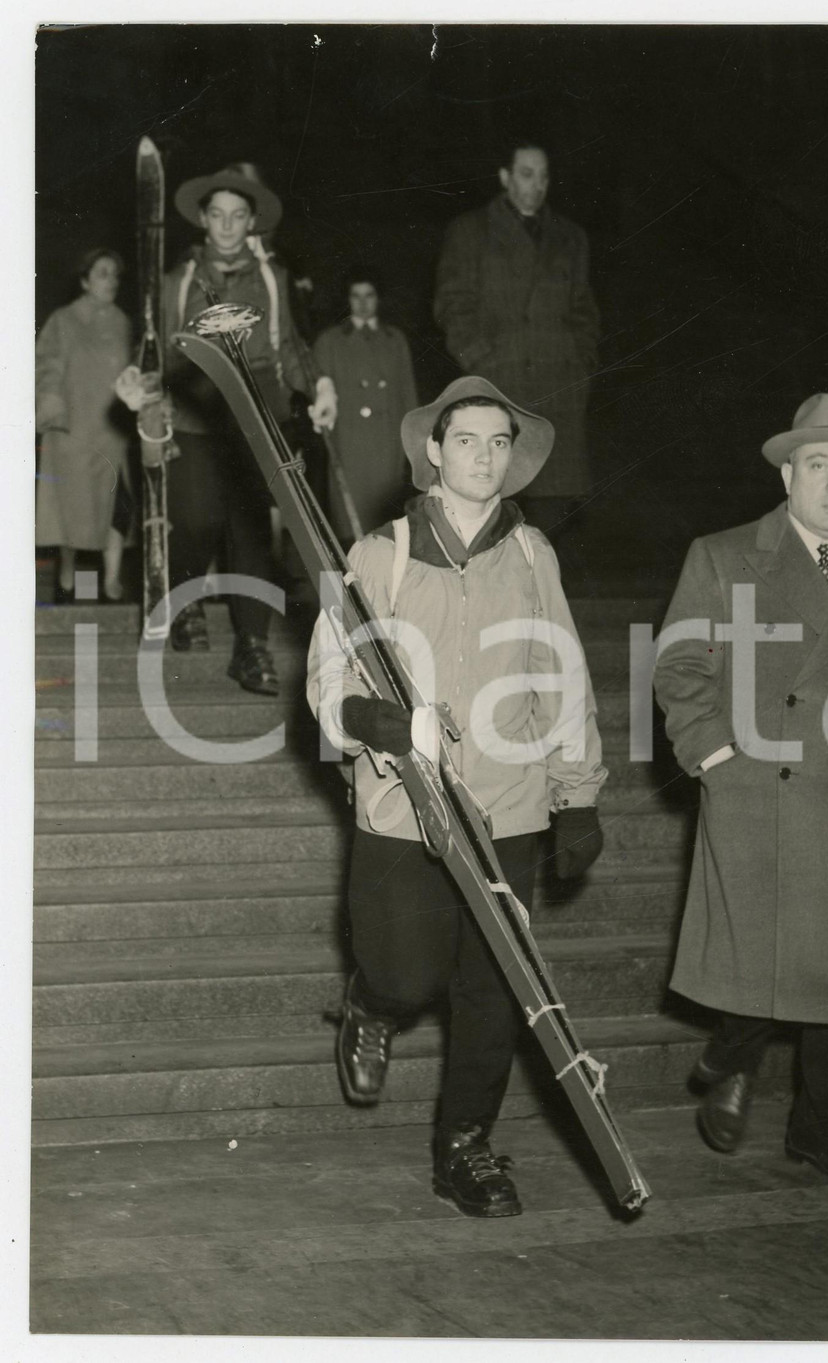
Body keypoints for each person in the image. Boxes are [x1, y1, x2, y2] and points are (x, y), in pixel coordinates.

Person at [306, 376, 607, 1217]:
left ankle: (464, 1148)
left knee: (493, 989)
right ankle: (368, 1003)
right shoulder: (383, 552)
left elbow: (564, 676)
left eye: (499, 443)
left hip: (508, 806)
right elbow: (329, 671)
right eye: (466, 440)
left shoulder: (532, 554)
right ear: (433, 452)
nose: (483, 456)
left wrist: (577, 793)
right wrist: (363, 715)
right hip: (405, 806)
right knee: (407, 971)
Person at [653, 392, 828, 1181]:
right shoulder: (721, 556)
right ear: (787, 475)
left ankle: (822, 1130)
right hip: (760, 792)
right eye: (819, 466)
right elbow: (679, 666)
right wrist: (711, 753)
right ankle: (730, 1061)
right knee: (755, 968)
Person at [162, 163, 336, 692]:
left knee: (252, 525)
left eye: (238, 216)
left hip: (260, 414)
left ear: (251, 221)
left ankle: (252, 644)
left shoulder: (270, 277)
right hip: (197, 413)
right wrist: (148, 393)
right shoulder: (180, 280)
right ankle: (182, 598)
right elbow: (160, 348)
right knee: (196, 519)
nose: (228, 226)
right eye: (218, 215)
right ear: (203, 220)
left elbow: (289, 344)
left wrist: (320, 384)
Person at [434, 140, 600, 535]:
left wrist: (580, 367)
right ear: (505, 177)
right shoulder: (470, 231)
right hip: (497, 392)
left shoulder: (572, 238)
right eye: (527, 174)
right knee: (491, 515)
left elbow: (585, 313)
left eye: (544, 177)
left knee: (549, 526)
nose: (537, 185)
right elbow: (452, 306)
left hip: (557, 395)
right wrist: (481, 363)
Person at [36, 249, 132, 602]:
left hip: (114, 433)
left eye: (115, 275)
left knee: (118, 505)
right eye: (102, 273)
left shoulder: (122, 321)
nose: (111, 281)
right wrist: (50, 407)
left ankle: (111, 579)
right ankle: (67, 571)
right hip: (76, 429)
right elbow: (46, 366)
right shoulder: (64, 319)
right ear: (84, 280)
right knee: (75, 507)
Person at [312, 267, 417, 535]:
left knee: (387, 522)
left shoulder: (395, 340)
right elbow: (318, 394)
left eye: (369, 295)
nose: (362, 302)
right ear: (346, 299)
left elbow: (408, 395)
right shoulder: (330, 341)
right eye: (355, 295)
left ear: (379, 298)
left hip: (388, 443)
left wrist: (412, 444)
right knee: (351, 521)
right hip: (350, 444)